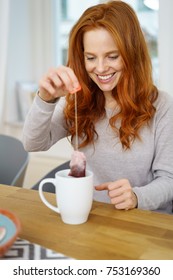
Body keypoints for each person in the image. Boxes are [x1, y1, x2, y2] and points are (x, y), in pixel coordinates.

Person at [23, 0, 173, 214]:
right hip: (94, 219)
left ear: (132, 54)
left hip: (146, 225)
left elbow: (169, 180)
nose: (101, 68)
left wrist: (136, 196)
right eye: (91, 58)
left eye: (112, 56)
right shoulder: (78, 101)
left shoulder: (163, 106)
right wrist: (46, 98)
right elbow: (32, 143)